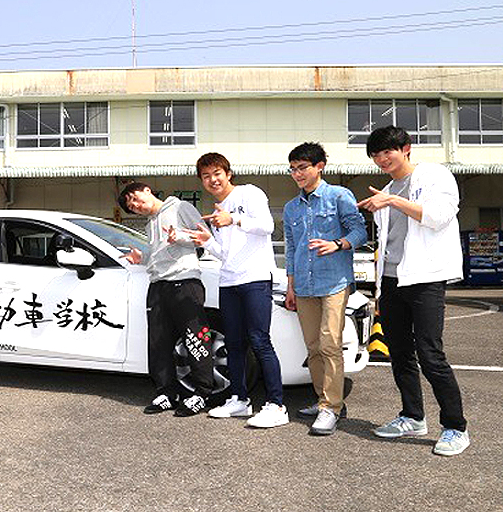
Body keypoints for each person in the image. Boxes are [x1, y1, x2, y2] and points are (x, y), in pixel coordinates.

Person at [357, 125, 469, 456]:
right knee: (400, 352)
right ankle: (412, 415)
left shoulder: (435, 176)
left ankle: (455, 426)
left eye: (387, 151)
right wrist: (389, 197)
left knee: (430, 353)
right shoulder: (388, 188)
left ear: (406, 148)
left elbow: (439, 217)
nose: (381, 159)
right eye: (375, 155)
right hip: (391, 279)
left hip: (425, 277)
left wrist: (394, 199)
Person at [184, 153, 288, 428]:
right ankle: (239, 399)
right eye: (206, 176)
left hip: (255, 278)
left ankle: (277, 405)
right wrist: (207, 241)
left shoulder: (249, 193)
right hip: (229, 280)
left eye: (216, 173)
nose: (212, 180)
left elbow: (268, 227)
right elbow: (224, 254)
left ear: (228, 173)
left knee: (259, 340)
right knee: (234, 343)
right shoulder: (218, 209)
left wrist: (234, 220)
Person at [283, 142, 367, 435]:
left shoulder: (339, 195)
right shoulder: (291, 207)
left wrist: (338, 244)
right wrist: (290, 287)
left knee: (330, 343)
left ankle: (331, 407)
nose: (297, 174)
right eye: (293, 169)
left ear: (320, 166)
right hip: (304, 286)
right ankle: (325, 401)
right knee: (313, 346)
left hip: (334, 282)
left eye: (302, 167)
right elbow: (292, 248)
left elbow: (360, 231)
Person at [118, 182, 214, 417]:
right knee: (158, 342)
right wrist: (142, 257)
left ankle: (202, 393)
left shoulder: (180, 207)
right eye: (132, 206)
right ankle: (167, 392)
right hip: (158, 285)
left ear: (148, 190)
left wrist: (179, 237)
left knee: (195, 339)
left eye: (136, 198)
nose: (136, 206)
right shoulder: (151, 223)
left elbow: (205, 237)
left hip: (184, 282)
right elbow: (159, 253)